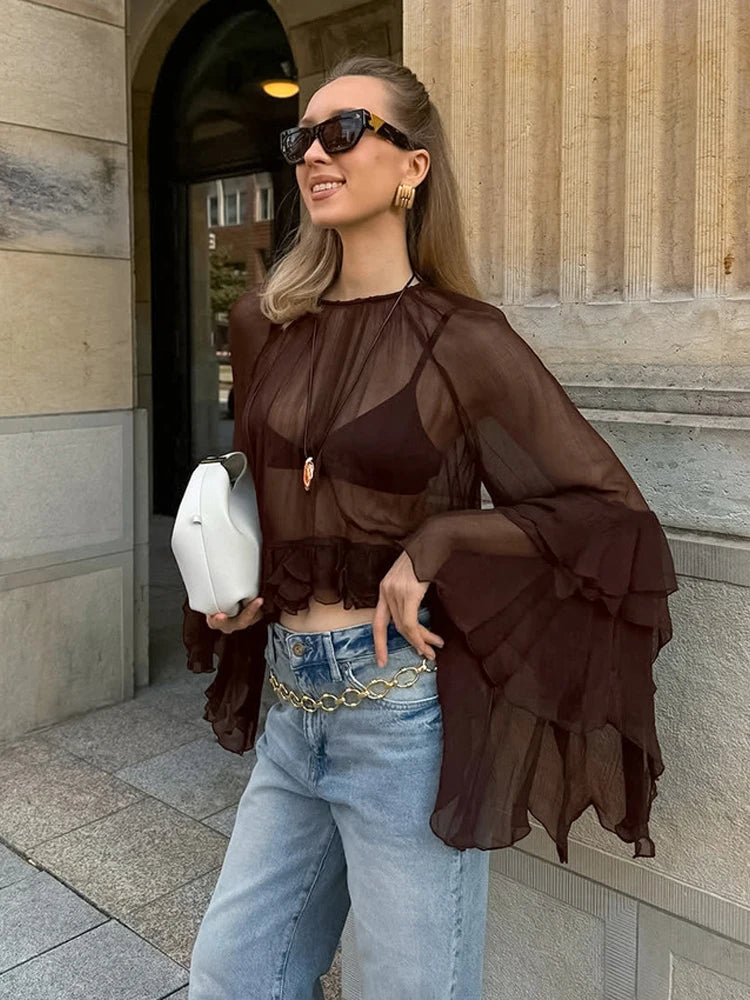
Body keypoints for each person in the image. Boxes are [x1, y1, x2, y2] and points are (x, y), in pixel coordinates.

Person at [183, 54, 677, 1000]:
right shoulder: (266, 322)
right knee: (229, 976)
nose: (315, 155)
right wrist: (242, 592)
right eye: (301, 138)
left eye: (345, 131)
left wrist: (440, 543)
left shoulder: (465, 340)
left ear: (412, 167)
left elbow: (609, 515)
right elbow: (270, 485)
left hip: (399, 715)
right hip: (294, 707)